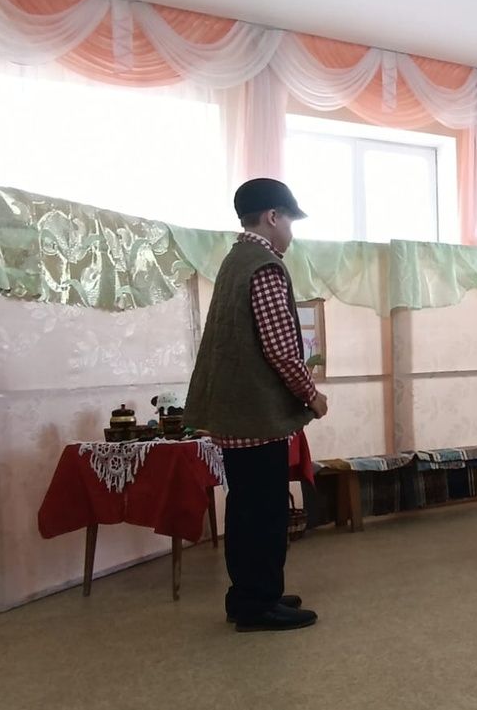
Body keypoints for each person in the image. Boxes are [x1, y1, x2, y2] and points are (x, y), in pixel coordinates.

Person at [185, 178, 328, 631]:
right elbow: (281, 349)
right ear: (272, 216)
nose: (291, 232)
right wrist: (311, 395)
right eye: (290, 221)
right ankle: (258, 604)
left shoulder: (235, 261)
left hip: (235, 412)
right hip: (256, 414)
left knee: (247, 507)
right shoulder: (264, 266)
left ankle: (249, 594)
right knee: (264, 511)